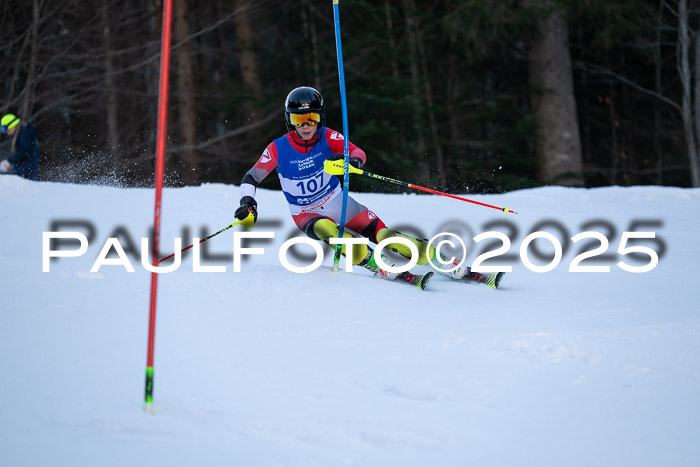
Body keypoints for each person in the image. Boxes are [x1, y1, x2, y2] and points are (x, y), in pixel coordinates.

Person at [233, 86, 435, 281]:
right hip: (306, 212)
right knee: (330, 231)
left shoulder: (328, 137)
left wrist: (352, 161)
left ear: (321, 118)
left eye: (312, 118)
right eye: (299, 119)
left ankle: (435, 257)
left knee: (383, 235)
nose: (306, 126)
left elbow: (358, 152)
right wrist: (247, 202)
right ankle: (378, 264)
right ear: (289, 121)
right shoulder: (278, 148)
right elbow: (252, 177)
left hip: (337, 201)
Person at [0, 113, 39, 180]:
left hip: (27, 170)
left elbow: (24, 151)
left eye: (7, 129)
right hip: (23, 168)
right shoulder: (19, 133)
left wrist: (9, 161)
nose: (7, 132)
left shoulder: (24, 132)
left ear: (12, 125)